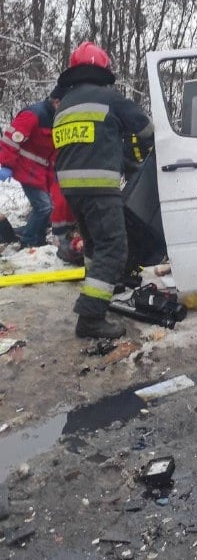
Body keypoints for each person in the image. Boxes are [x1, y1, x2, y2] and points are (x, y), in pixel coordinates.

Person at [53, 41, 154, 339]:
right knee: (114, 247)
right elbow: (146, 129)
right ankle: (91, 317)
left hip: (71, 189)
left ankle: (99, 289)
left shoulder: (65, 104)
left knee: (94, 247)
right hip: (98, 187)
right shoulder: (110, 98)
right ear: (103, 70)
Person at [0, 86, 65, 247]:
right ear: (57, 102)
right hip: (26, 169)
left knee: (47, 207)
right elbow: (11, 139)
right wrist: (7, 164)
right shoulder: (34, 115)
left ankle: (36, 237)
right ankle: (29, 240)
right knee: (44, 207)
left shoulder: (58, 118)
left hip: (42, 172)